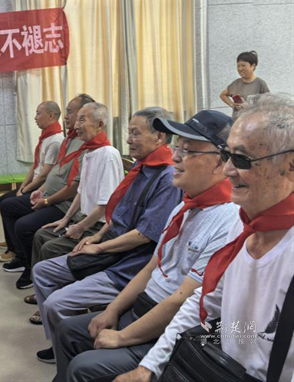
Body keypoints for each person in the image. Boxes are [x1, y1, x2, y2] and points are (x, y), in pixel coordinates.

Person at [117, 94, 294, 382]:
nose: (228, 170)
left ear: (290, 165)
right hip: (220, 363)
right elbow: (208, 300)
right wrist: (149, 366)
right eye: (227, 156)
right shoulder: (244, 226)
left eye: (242, 159)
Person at [54, 109, 238, 382]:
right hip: (142, 306)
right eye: (177, 147)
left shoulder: (228, 221)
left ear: (220, 163)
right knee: (68, 331)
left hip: (168, 328)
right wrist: (113, 309)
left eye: (187, 150)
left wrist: (123, 337)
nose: (175, 157)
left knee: (83, 367)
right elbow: (152, 267)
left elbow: (183, 302)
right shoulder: (185, 207)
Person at [31, 107, 182, 361]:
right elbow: (118, 213)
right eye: (128, 133)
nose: (128, 140)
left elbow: (144, 235)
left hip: (128, 263)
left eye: (135, 134)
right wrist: (97, 236)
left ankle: (72, 343)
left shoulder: (166, 178)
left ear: (160, 137)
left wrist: (98, 246)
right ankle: (62, 343)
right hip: (112, 246)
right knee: (42, 270)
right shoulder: (141, 167)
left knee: (55, 303)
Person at [26, 102, 124, 323]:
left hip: (98, 226)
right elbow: (80, 192)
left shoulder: (107, 154)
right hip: (84, 219)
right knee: (41, 234)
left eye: (82, 119)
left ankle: (63, 307)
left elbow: (105, 205)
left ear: (99, 124)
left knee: (51, 247)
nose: (76, 125)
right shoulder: (89, 152)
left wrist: (80, 227)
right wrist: (66, 219)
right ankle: (44, 295)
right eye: (76, 118)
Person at [6, 96, 108, 290]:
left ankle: (36, 275)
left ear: (99, 124)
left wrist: (74, 222)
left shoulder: (102, 153)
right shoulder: (79, 145)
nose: (70, 120)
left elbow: (102, 202)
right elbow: (72, 183)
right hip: (64, 206)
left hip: (71, 209)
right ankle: (30, 269)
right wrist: (41, 193)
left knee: (28, 229)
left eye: (78, 117)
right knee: (17, 213)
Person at [0, 101, 64, 262]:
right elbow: (35, 166)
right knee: (4, 199)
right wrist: (23, 187)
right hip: (35, 184)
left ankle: (17, 251)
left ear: (51, 116)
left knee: (8, 204)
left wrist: (26, 190)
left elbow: (45, 175)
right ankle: (12, 241)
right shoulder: (45, 137)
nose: (35, 117)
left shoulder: (56, 140)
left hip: (43, 188)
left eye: (38, 113)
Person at [219, 51, 269, 116]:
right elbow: (223, 95)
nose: (240, 69)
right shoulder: (236, 83)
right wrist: (232, 104)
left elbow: (269, 104)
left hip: (254, 120)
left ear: (253, 66)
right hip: (237, 120)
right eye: (238, 66)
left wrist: (249, 106)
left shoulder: (260, 83)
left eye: (243, 65)